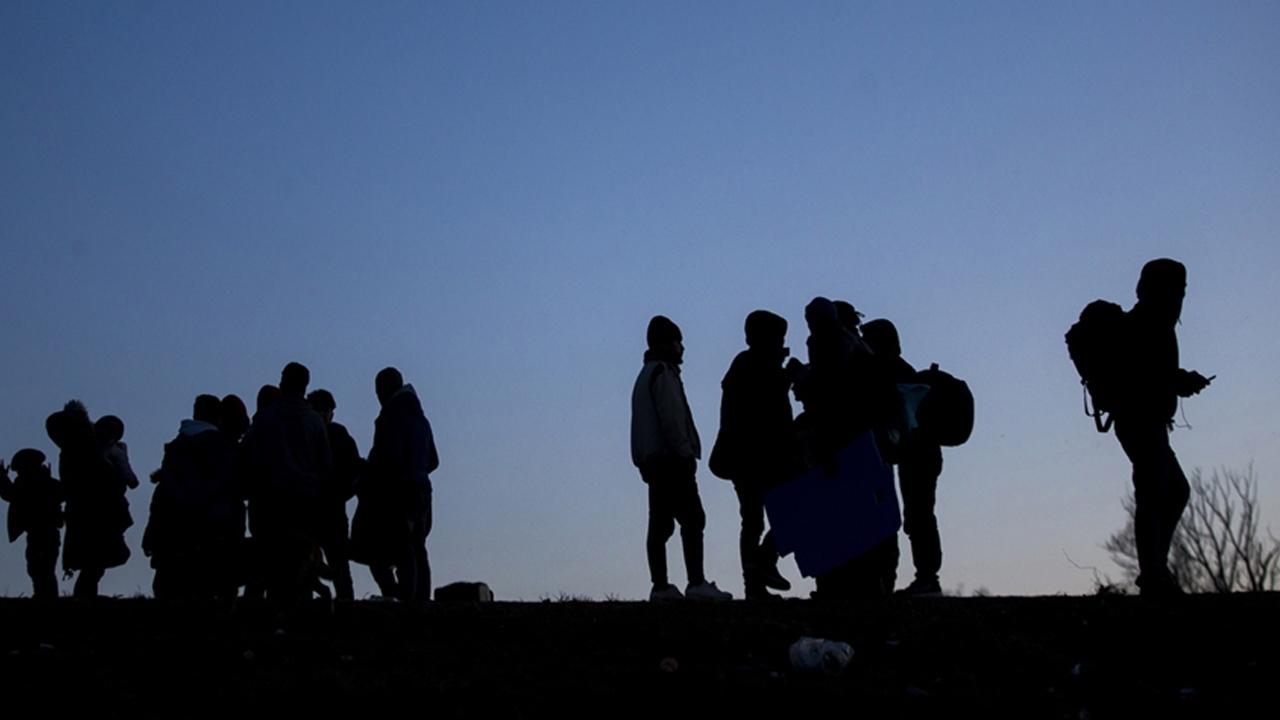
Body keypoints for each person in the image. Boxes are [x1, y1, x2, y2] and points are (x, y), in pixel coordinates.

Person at [1113, 259, 1212, 597]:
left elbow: (1153, 373)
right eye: (1177, 289)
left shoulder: (1153, 322)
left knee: (1172, 491)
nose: (1181, 297)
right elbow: (1145, 375)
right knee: (1154, 492)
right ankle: (1153, 575)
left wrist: (1179, 381)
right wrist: (1181, 381)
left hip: (1148, 420)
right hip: (1139, 419)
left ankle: (1155, 569)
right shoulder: (1147, 323)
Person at [631, 316, 731, 602]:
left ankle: (660, 586)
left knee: (660, 524)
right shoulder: (662, 374)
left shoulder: (646, 375)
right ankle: (695, 583)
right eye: (678, 341)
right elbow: (672, 419)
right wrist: (685, 452)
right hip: (670, 459)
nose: (682, 347)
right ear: (666, 343)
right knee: (692, 518)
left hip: (654, 462)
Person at [710, 310, 799, 599]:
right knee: (784, 513)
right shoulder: (755, 366)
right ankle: (762, 566)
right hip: (759, 458)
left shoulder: (748, 365)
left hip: (747, 458)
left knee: (754, 520)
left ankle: (756, 578)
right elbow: (768, 407)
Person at [863, 318, 945, 596]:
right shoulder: (901, 370)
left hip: (917, 454)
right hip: (922, 454)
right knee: (919, 515)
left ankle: (928, 578)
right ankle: (926, 577)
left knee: (918, 516)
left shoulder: (891, 373)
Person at [240, 363, 333, 603]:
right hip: (304, 504)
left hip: (269, 502)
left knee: (266, 563)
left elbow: (248, 457)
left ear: (284, 383)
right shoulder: (315, 422)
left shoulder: (264, 419)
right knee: (299, 568)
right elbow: (325, 466)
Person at [353, 367, 439, 602]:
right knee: (418, 548)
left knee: (399, 549)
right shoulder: (421, 419)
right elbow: (434, 460)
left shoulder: (389, 418)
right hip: (423, 489)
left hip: (399, 491)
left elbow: (389, 459)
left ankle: (405, 601)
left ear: (382, 390)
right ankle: (421, 600)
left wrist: (370, 474)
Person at [143, 394, 241, 600]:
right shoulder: (221, 446)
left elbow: (163, 492)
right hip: (211, 526)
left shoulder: (177, 446)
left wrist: (152, 531)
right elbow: (226, 485)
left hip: (174, 524)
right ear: (219, 417)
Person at [46, 400, 132, 598]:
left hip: (87, 509)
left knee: (92, 562)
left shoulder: (77, 449)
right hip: (96, 510)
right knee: (93, 562)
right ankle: (85, 598)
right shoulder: (86, 449)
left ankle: (86, 597)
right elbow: (110, 479)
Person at [307, 389, 363, 601]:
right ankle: (346, 611)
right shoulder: (339, 435)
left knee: (306, 565)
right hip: (333, 510)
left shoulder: (306, 434)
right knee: (339, 566)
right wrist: (341, 495)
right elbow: (355, 472)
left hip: (310, 508)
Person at [0, 449, 64, 599]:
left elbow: (10, 494)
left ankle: (45, 597)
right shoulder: (47, 483)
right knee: (41, 568)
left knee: (40, 568)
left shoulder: (30, 484)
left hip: (41, 533)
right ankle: (45, 596)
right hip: (46, 533)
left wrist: (2, 478)